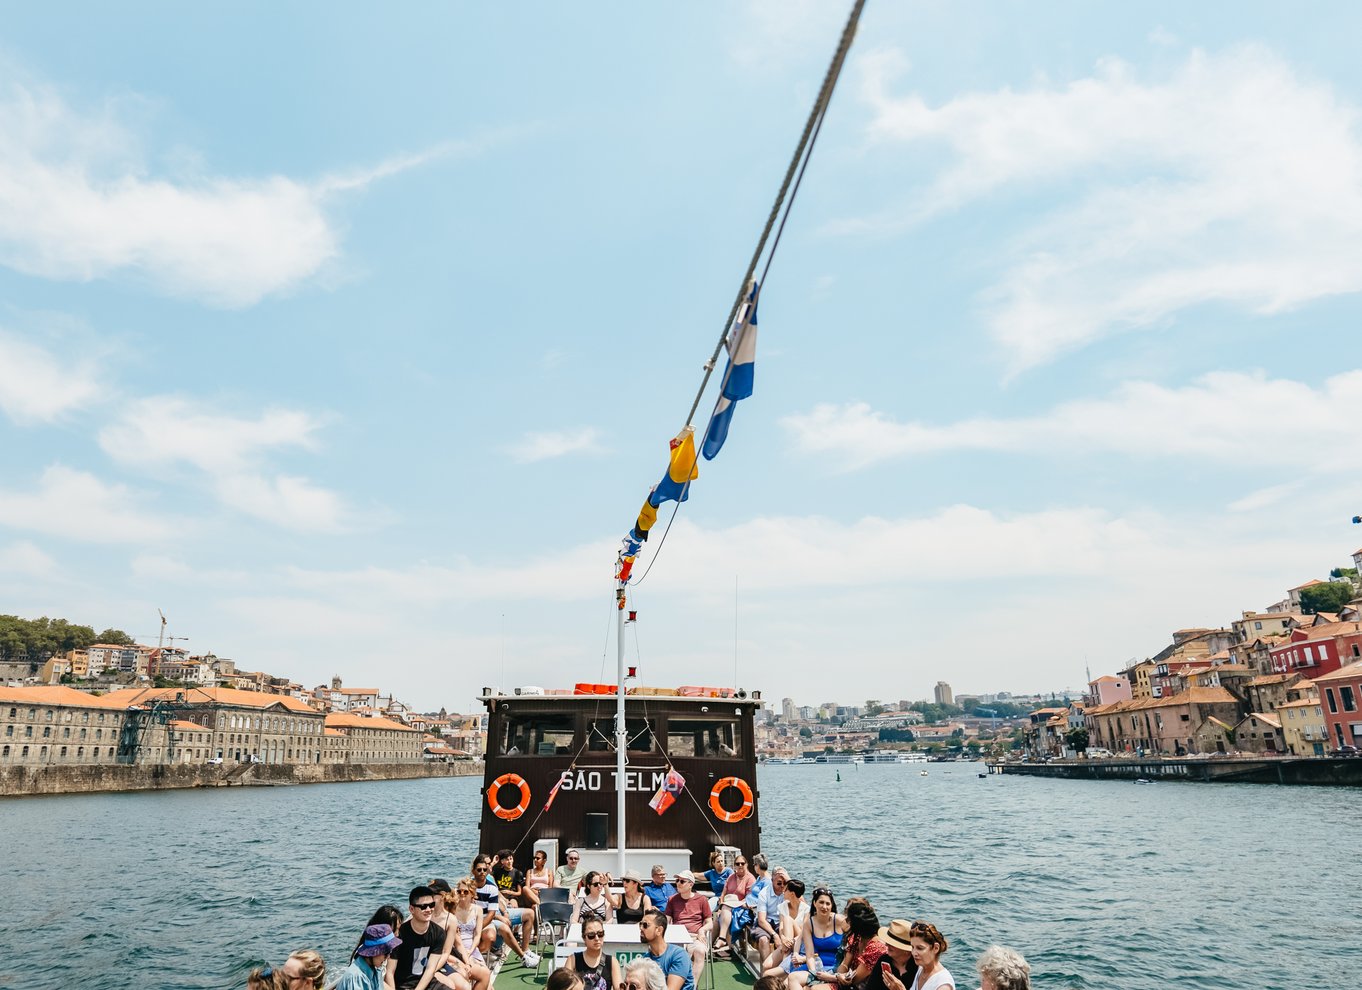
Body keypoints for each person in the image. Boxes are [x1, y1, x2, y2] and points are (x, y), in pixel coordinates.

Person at [472, 854, 541, 968]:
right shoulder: (471, 886)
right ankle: (522, 957)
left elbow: (497, 899)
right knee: (503, 927)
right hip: (489, 917)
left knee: (529, 914)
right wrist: (500, 916)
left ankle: (525, 950)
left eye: (487, 867)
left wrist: (505, 912)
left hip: (496, 912)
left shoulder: (490, 881)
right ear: (474, 870)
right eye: (481, 869)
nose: (487, 869)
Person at [392, 885, 451, 990]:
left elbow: (430, 969)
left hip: (426, 982)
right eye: (423, 906)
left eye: (431, 905)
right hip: (403, 984)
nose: (428, 910)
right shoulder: (400, 934)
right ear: (411, 909)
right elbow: (390, 971)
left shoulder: (439, 933)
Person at [815, 901, 884, 989]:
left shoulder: (876, 948)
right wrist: (840, 975)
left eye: (849, 920)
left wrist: (834, 977)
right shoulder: (857, 939)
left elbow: (855, 979)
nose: (846, 921)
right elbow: (844, 964)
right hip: (847, 983)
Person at [788, 886, 846, 990]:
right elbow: (810, 955)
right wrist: (814, 973)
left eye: (828, 903)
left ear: (831, 905)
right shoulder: (809, 924)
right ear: (815, 903)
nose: (824, 906)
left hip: (836, 967)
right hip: (816, 965)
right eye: (821, 902)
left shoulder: (840, 921)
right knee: (790, 980)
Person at [664, 871, 713, 982]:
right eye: (677, 880)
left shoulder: (702, 900)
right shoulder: (672, 900)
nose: (678, 883)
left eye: (682, 881)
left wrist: (702, 930)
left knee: (700, 951)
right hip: (677, 937)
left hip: (695, 936)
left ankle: (692, 986)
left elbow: (710, 922)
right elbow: (665, 920)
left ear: (691, 884)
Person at [638, 909, 694, 990]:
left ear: (659, 930)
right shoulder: (645, 959)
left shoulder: (678, 955)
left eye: (645, 925)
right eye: (640, 924)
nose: (641, 928)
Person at [333, 924, 401, 990]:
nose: (388, 957)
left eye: (390, 952)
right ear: (374, 952)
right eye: (386, 953)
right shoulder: (356, 978)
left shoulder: (375, 970)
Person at [761, 877, 807, 974]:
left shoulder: (806, 910)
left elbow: (804, 932)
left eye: (785, 890)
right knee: (766, 965)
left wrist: (792, 940)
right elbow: (781, 926)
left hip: (800, 942)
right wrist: (783, 938)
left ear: (792, 894)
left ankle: (785, 963)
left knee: (788, 919)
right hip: (787, 942)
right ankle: (785, 963)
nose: (783, 892)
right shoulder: (783, 906)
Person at [492, 850, 539, 944]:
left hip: (512, 896)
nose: (509, 861)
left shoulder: (517, 873)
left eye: (511, 859)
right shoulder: (497, 871)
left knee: (514, 905)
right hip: (500, 896)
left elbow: (519, 893)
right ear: (502, 862)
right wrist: (493, 863)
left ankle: (516, 932)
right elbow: (489, 876)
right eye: (507, 860)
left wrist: (509, 892)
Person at [712, 854, 755, 952]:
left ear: (746, 865)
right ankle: (709, 948)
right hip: (728, 905)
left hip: (742, 906)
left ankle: (722, 938)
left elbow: (749, 898)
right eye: (737, 863)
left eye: (742, 863)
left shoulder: (750, 879)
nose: (740, 865)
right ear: (734, 865)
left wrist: (736, 904)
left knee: (726, 910)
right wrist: (720, 906)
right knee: (717, 921)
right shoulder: (731, 877)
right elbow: (723, 893)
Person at [569, 916, 622, 990]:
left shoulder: (612, 961)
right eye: (591, 935)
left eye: (600, 934)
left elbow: (618, 988)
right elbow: (565, 985)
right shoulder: (573, 959)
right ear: (584, 938)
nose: (597, 938)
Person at [862, 920, 917, 990]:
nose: (886, 944)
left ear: (906, 950)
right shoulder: (884, 960)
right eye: (888, 942)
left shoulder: (918, 967)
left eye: (893, 944)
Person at [904, 922, 951, 990]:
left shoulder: (943, 985)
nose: (914, 953)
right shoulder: (921, 969)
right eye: (912, 947)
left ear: (936, 948)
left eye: (920, 948)